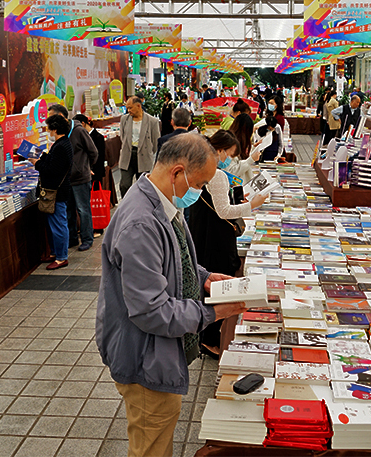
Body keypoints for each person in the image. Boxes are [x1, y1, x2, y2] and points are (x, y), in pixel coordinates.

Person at [96, 133, 246, 457]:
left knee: (158, 436)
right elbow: (152, 311)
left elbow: (171, 259)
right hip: (144, 357)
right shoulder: (141, 222)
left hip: (156, 352)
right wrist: (212, 313)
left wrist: (204, 277)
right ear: (178, 173)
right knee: (152, 445)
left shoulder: (159, 201)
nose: (201, 191)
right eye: (200, 183)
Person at [188, 131, 268, 357]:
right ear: (221, 150)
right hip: (217, 239)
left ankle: (205, 335)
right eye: (231, 155)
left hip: (202, 233)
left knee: (208, 282)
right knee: (218, 285)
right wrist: (251, 205)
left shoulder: (200, 165)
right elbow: (223, 211)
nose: (231, 161)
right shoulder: (217, 173)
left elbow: (216, 202)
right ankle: (209, 339)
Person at [48, 104, 99, 252]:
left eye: (52, 117)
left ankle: (87, 239)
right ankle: (71, 238)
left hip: (81, 178)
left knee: (83, 210)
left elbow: (93, 152)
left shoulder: (78, 131)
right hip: (65, 179)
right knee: (68, 210)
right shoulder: (59, 133)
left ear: (62, 117)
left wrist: (87, 168)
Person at [30, 113, 73, 270]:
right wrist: (41, 156)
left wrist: (37, 163)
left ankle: (62, 257)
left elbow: (52, 170)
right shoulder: (62, 144)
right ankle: (56, 253)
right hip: (56, 191)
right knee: (54, 223)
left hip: (56, 192)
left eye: (49, 128)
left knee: (59, 224)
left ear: (55, 129)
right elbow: (54, 163)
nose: (48, 131)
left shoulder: (61, 146)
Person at [119, 95, 161, 199]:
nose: (128, 110)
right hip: (127, 154)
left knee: (142, 186)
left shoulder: (152, 121)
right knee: (124, 184)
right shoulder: (124, 119)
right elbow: (122, 137)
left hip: (143, 156)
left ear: (138, 106)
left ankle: (140, 206)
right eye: (127, 108)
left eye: (130, 108)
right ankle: (126, 204)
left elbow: (156, 141)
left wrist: (149, 152)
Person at [77, 114, 110, 239]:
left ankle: (98, 227)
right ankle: (89, 227)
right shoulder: (81, 136)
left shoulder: (98, 137)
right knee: (87, 202)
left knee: (96, 201)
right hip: (85, 174)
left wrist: (93, 171)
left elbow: (99, 157)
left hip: (94, 174)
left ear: (83, 123)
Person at [227, 113, 258, 183]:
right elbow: (232, 171)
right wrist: (250, 159)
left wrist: (253, 148)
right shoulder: (231, 145)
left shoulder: (238, 143)